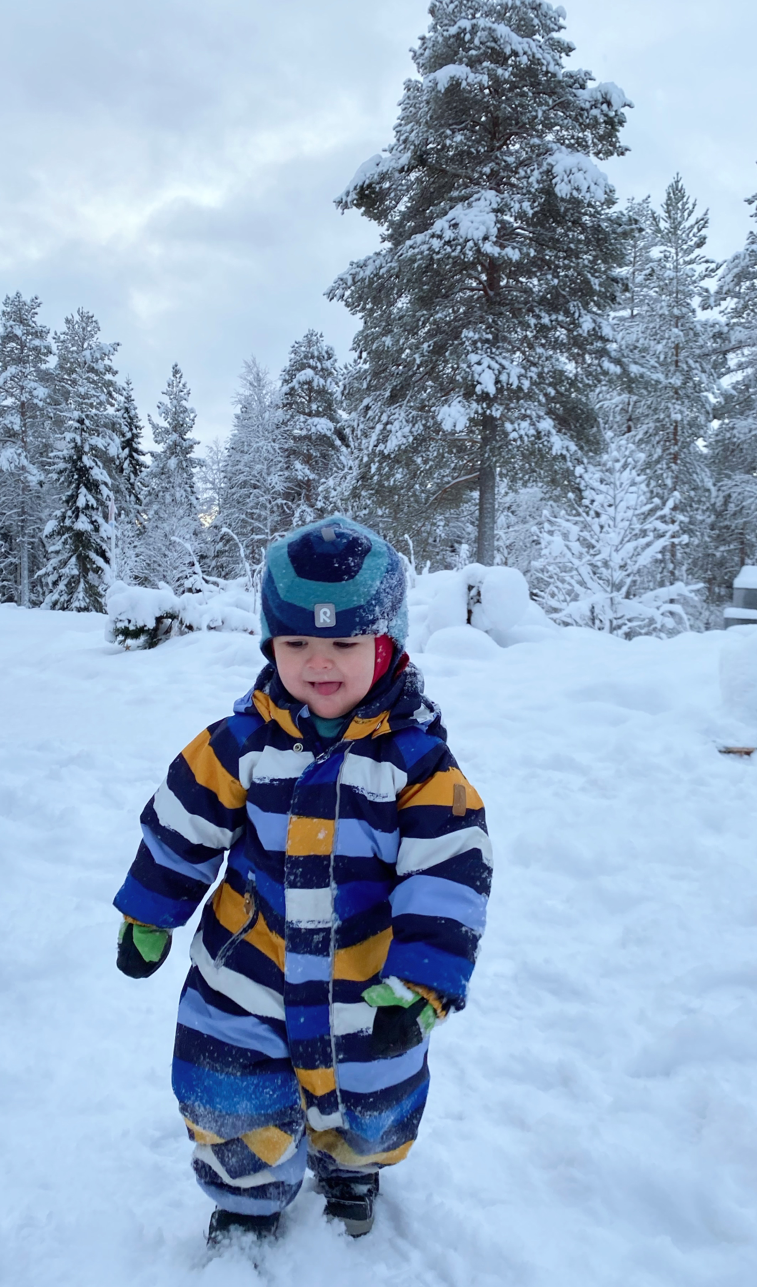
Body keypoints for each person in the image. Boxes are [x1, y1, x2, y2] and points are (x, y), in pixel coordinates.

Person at [113, 516, 491, 1245]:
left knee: (372, 1096)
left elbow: (449, 873)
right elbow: (183, 822)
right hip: (246, 970)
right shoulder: (239, 744)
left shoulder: (418, 768)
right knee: (225, 1088)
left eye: (345, 643)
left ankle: (351, 1169)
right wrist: (150, 914)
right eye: (297, 644)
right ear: (269, 644)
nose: (320, 663)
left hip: (367, 982)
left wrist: (424, 983)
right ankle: (246, 1198)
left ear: (387, 643)